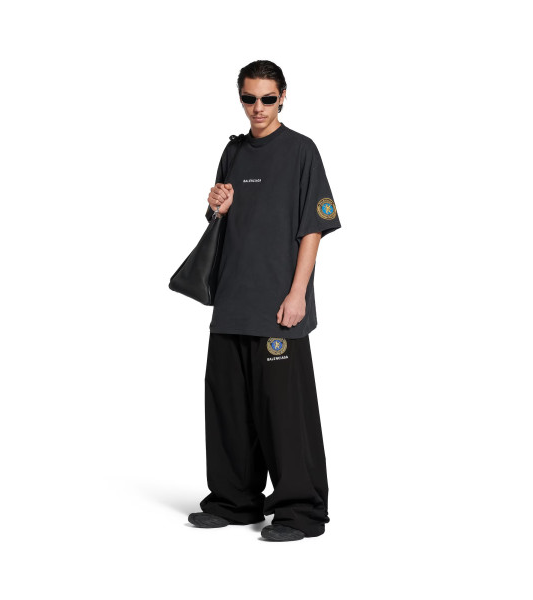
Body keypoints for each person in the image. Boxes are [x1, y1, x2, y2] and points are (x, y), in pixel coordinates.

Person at [188, 60, 341, 542]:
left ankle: (300, 512)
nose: (258, 108)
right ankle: (234, 501)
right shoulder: (233, 152)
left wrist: (298, 294)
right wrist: (217, 206)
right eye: (249, 99)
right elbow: (222, 221)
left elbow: (313, 228)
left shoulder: (301, 151)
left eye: (267, 99)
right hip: (232, 302)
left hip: (278, 308)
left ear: (283, 96)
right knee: (229, 409)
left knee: (285, 415)